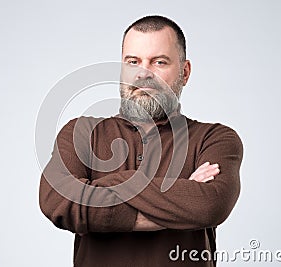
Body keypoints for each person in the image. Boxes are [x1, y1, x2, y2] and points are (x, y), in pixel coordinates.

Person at [39, 15, 243, 267]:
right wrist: (181, 198)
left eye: (159, 62)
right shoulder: (81, 133)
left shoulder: (214, 139)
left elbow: (211, 205)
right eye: (133, 62)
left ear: (185, 72)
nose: (144, 74)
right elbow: (57, 203)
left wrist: (105, 186)